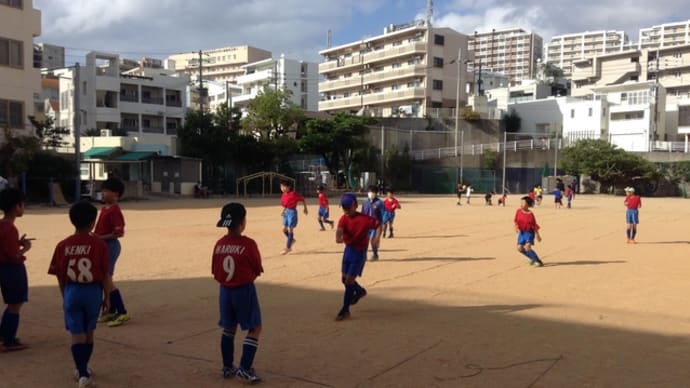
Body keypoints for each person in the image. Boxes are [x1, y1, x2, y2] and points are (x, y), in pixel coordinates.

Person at [48, 201, 113, 388]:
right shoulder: (99, 244)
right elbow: (105, 275)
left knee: (77, 333)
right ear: (93, 222)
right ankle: (84, 370)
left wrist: (64, 295)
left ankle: (82, 371)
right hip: (92, 291)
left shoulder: (63, 245)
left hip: (72, 290)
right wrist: (108, 297)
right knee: (89, 331)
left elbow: (60, 275)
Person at [213, 203, 264, 383]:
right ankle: (244, 367)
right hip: (243, 289)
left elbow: (215, 270)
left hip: (224, 291)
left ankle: (228, 367)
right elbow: (257, 268)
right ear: (242, 222)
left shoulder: (219, 244)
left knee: (229, 327)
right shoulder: (248, 244)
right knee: (255, 327)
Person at [335, 193, 378, 321]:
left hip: (359, 252)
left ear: (355, 206)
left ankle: (345, 310)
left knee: (348, 281)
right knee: (344, 279)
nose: (346, 210)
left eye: (348, 207)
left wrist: (376, 237)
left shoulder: (364, 219)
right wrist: (338, 237)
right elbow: (340, 229)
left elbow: (378, 224)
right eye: (344, 207)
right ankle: (359, 291)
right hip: (348, 250)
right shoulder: (343, 218)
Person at [94, 178, 129, 327]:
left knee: (107, 278)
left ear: (116, 194)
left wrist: (99, 237)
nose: (103, 193)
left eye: (106, 191)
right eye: (103, 190)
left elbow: (118, 233)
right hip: (102, 245)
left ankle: (122, 311)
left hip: (110, 246)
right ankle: (110, 310)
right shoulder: (105, 208)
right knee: (104, 278)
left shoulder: (114, 210)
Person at [0, 188, 31, 351]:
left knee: (11, 303)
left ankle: (4, 334)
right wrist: (25, 248)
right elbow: (13, 256)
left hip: (2, 268)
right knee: (15, 305)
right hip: (12, 269)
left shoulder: (1, 225)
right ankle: (8, 340)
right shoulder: (11, 228)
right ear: (16, 206)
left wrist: (17, 243)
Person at [514, 196, 544, 267]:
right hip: (522, 232)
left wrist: (537, 235)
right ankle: (534, 259)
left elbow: (534, 225)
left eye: (523, 203)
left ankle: (537, 262)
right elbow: (515, 221)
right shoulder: (518, 211)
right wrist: (516, 227)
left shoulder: (530, 214)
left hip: (529, 233)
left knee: (527, 247)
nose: (521, 204)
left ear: (528, 204)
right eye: (520, 202)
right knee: (519, 248)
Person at [279, 180, 308, 255]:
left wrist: (305, 208)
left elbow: (302, 199)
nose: (282, 188)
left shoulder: (293, 194)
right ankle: (291, 239)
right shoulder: (284, 195)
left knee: (290, 229)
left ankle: (288, 247)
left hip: (292, 212)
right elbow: (286, 205)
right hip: (287, 212)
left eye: (283, 186)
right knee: (283, 229)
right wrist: (283, 211)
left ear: (289, 187)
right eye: (281, 186)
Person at [361, 185, 384, 261]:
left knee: (373, 240)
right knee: (365, 240)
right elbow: (363, 213)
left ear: (376, 193)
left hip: (376, 225)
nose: (371, 193)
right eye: (369, 192)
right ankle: (364, 256)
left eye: (373, 192)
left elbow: (383, 213)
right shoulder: (365, 202)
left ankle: (375, 254)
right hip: (367, 224)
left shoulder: (379, 203)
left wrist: (382, 224)